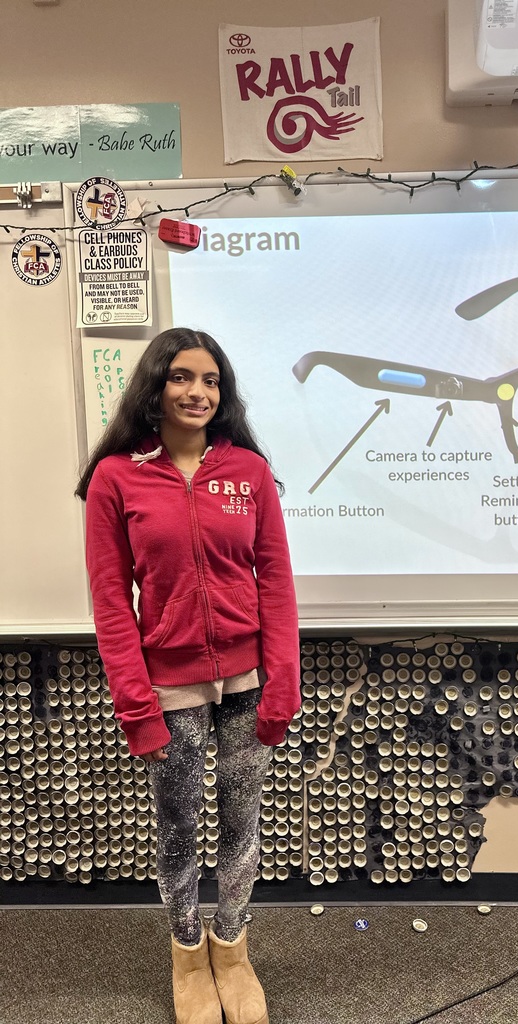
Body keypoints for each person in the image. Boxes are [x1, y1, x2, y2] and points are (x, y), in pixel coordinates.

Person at [76, 327, 300, 1024]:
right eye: (181, 377)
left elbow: (278, 582)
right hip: (167, 687)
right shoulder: (117, 477)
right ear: (156, 385)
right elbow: (111, 600)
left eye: (210, 380)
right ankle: (185, 955)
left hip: (247, 679)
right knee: (178, 827)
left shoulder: (249, 473)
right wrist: (134, 706)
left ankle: (230, 949)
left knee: (242, 824)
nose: (197, 392)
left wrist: (283, 682)